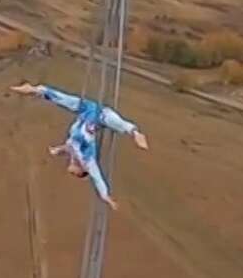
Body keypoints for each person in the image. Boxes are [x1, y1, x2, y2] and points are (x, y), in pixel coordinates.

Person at [11, 81, 148, 209]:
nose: (71, 172)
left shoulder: (73, 155)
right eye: (76, 174)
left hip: (84, 112)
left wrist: (56, 150)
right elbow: (97, 178)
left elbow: (69, 148)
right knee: (114, 121)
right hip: (99, 117)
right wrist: (105, 196)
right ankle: (135, 133)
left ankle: (36, 90)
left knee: (63, 100)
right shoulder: (87, 160)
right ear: (82, 171)